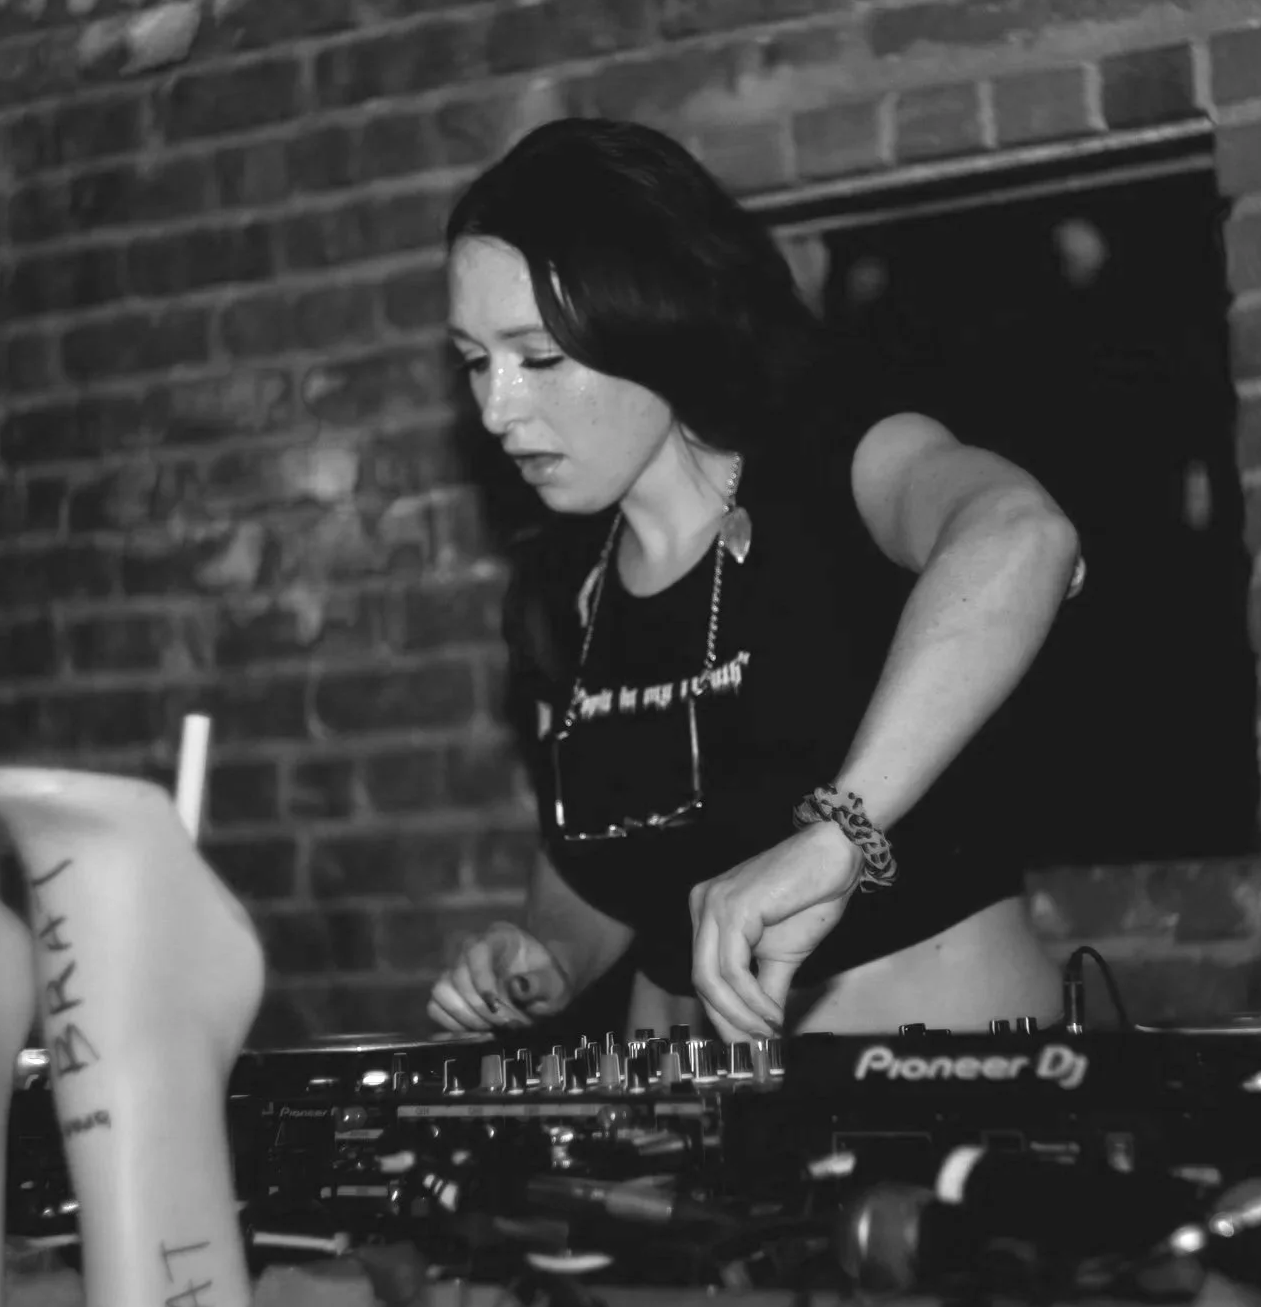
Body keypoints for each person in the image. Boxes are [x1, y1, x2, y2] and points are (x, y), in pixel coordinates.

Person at [424, 118, 1083, 1043]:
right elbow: (604, 867)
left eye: (537, 358)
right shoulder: (561, 585)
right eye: (472, 362)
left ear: (648, 317)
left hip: (933, 1096)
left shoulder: (832, 462)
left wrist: (840, 835)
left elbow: (1024, 537)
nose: (496, 409)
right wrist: (547, 957)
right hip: (690, 1142)